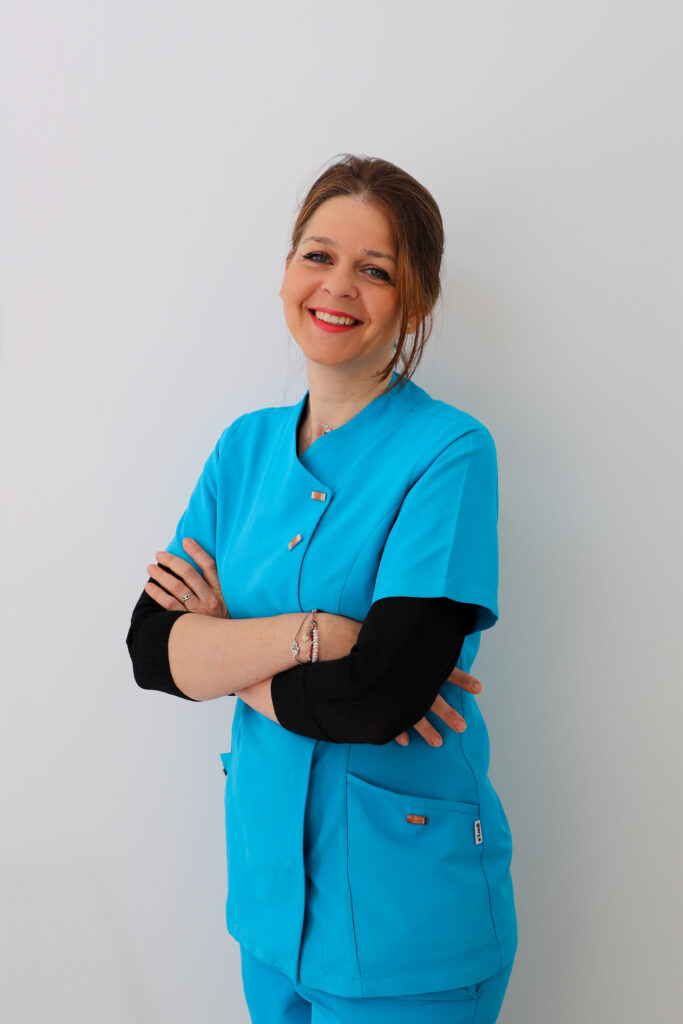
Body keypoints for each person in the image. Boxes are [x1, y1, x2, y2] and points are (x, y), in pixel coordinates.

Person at [126, 154, 517, 1023]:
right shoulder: (243, 449)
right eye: (318, 255)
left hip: (407, 919)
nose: (337, 285)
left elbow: (378, 699)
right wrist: (319, 635)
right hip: (268, 907)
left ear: (415, 302)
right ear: (286, 272)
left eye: (375, 270)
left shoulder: (450, 453)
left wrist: (223, 651)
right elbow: (151, 651)